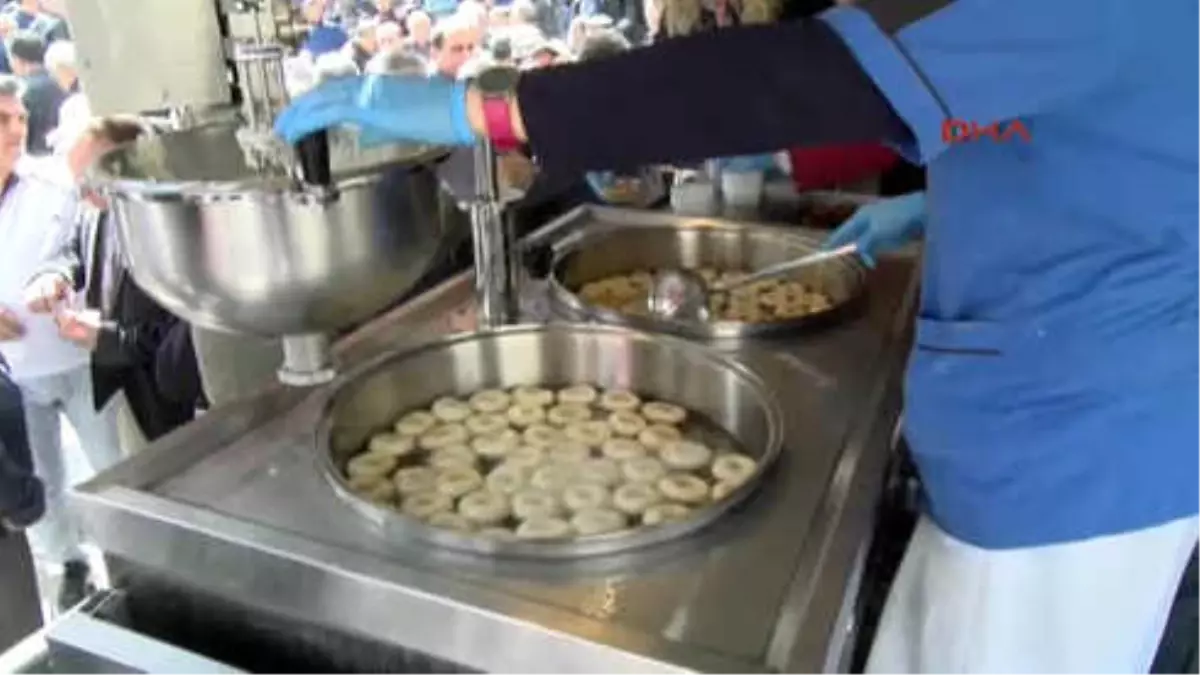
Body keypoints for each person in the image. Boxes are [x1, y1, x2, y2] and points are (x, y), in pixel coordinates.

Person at [274, 2, 1200, 673]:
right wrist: (932, 207)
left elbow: (804, 79)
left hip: (1081, 460)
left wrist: (490, 109)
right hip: (1058, 424)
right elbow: (1111, 143)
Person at [0, 74, 121, 613]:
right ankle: (69, 567)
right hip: (15, 372)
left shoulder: (54, 182)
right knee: (40, 480)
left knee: (112, 466)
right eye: (3, 120)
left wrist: (58, 280)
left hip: (80, 357)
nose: (15, 129)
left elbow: (85, 245)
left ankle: (125, 557)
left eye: (20, 117)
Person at [26, 115, 198, 453]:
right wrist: (53, 276)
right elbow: (71, 249)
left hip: (175, 401)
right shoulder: (95, 209)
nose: (84, 196)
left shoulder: (180, 231)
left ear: (140, 164)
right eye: (78, 185)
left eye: (92, 183)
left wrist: (105, 338)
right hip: (123, 393)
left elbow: (185, 336)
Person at [8, 30, 63, 155]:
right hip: (60, 157)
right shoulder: (62, 83)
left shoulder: (22, 90)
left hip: (31, 158)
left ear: (18, 59)